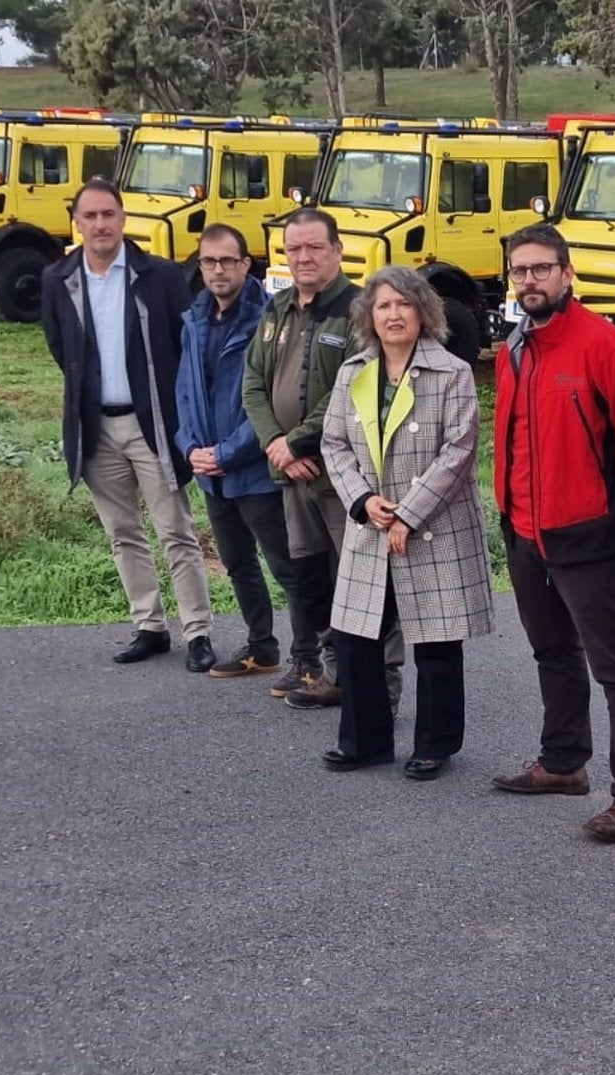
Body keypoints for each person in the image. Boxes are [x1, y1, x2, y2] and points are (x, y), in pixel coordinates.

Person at [487, 223, 615, 844]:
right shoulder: (516, 346)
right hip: (525, 530)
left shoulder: (606, 347)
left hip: (590, 533)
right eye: (519, 270)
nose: (529, 280)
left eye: (540, 269)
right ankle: (563, 763)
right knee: (552, 653)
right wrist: (508, 515)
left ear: (567, 273)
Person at [318, 266, 493, 777]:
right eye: (383, 306)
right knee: (356, 638)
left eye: (404, 304)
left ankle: (435, 745)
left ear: (424, 311)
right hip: (370, 525)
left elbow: (458, 452)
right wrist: (364, 501)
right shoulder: (354, 372)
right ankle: (365, 741)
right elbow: (334, 443)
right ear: (369, 317)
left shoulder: (453, 372)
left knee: (436, 642)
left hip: (433, 528)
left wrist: (408, 516)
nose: (394, 314)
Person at [40, 178, 214, 671]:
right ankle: (150, 626)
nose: (100, 224)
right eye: (90, 216)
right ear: (76, 221)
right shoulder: (60, 279)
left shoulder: (158, 275)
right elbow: (61, 349)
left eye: (108, 214)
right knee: (123, 533)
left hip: (152, 426)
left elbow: (186, 351)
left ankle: (197, 631)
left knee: (175, 531)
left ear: (123, 218)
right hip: (97, 428)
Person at [242, 208, 403, 710]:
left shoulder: (359, 309)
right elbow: (252, 383)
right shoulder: (278, 308)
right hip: (294, 477)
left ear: (336, 250)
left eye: (314, 247)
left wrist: (298, 442)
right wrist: (277, 445)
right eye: (294, 249)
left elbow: (351, 389)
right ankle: (336, 674)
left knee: (368, 580)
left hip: (347, 478)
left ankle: (386, 685)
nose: (303, 257)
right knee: (317, 580)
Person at [175, 223, 316, 679]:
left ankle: (308, 659)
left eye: (227, 261)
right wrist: (190, 447)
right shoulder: (194, 319)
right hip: (211, 471)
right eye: (209, 261)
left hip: (255, 468)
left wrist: (229, 452)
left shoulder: (269, 320)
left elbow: (270, 400)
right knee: (238, 563)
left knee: (287, 567)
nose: (217, 270)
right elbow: (185, 392)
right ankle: (262, 647)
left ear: (245, 264)